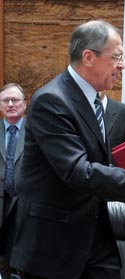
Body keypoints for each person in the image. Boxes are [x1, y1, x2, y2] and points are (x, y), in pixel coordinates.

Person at [8, 19, 125, 279]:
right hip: (54, 245)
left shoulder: (93, 100)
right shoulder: (52, 101)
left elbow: (106, 163)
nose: (122, 65)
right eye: (116, 57)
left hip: (95, 239)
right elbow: (78, 171)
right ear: (88, 57)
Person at [0, 83, 26, 279]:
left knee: (19, 261)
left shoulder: (37, 132)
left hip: (23, 206)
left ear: (24, 104)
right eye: (5, 100)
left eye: (15, 100)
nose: (10, 104)